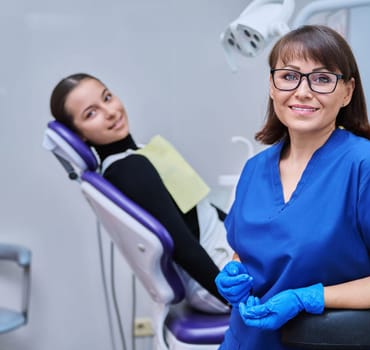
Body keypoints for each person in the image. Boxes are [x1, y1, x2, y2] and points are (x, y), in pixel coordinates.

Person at [215, 24, 370, 350]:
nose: (302, 91)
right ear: (272, 86)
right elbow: (245, 251)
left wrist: (311, 297)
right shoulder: (254, 170)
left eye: (322, 79)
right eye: (289, 76)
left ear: (347, 91)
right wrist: (233, 272)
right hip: (244, 342)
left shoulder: (369, 169)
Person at [49, 73, 233, 314]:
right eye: (91, 113)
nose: (111, 112)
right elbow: (182, 244)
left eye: (107, 97)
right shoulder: (128, 169)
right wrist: (234, 298)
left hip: (224, 258)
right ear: (79, 134)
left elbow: (200, 208)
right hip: (220, 274)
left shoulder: (137, 155)